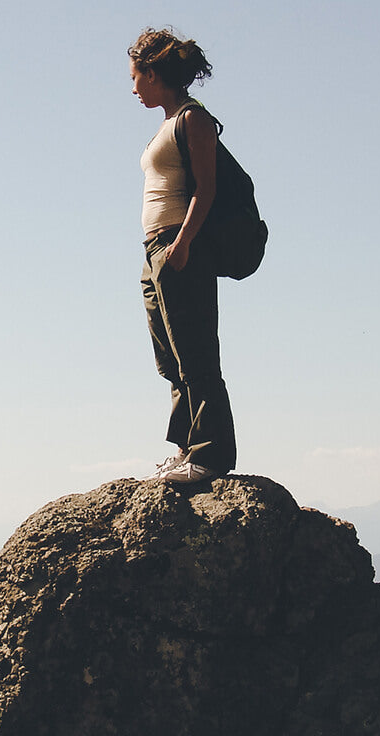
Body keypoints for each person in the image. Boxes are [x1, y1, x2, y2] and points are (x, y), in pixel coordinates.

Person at [129, 28, 235, 484]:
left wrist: (184, 242)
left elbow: (207, 189)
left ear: (153, 73)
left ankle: (211, 456)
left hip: (177, 243)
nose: (133, 87)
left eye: (136, 76)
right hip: (156, 249)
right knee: (170, 358)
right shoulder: (166, 124)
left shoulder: (193, 119)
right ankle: (186, 447)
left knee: (195, 354)